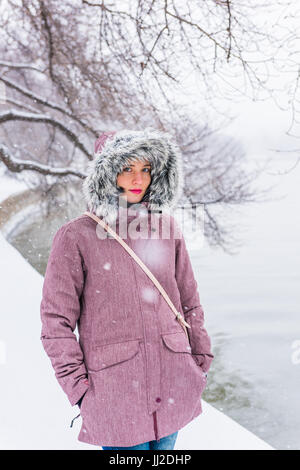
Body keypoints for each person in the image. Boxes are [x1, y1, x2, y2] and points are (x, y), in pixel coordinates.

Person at [40, 127, 214, 450]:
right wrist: (78, 388)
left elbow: (190, 302)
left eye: (145, 169)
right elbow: (55, 324)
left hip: (173, 385)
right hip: (115, 398)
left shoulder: (167, 227)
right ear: (108, 174)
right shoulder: (76, 237)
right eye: (128, 168)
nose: (138, 178)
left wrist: (200, 360)